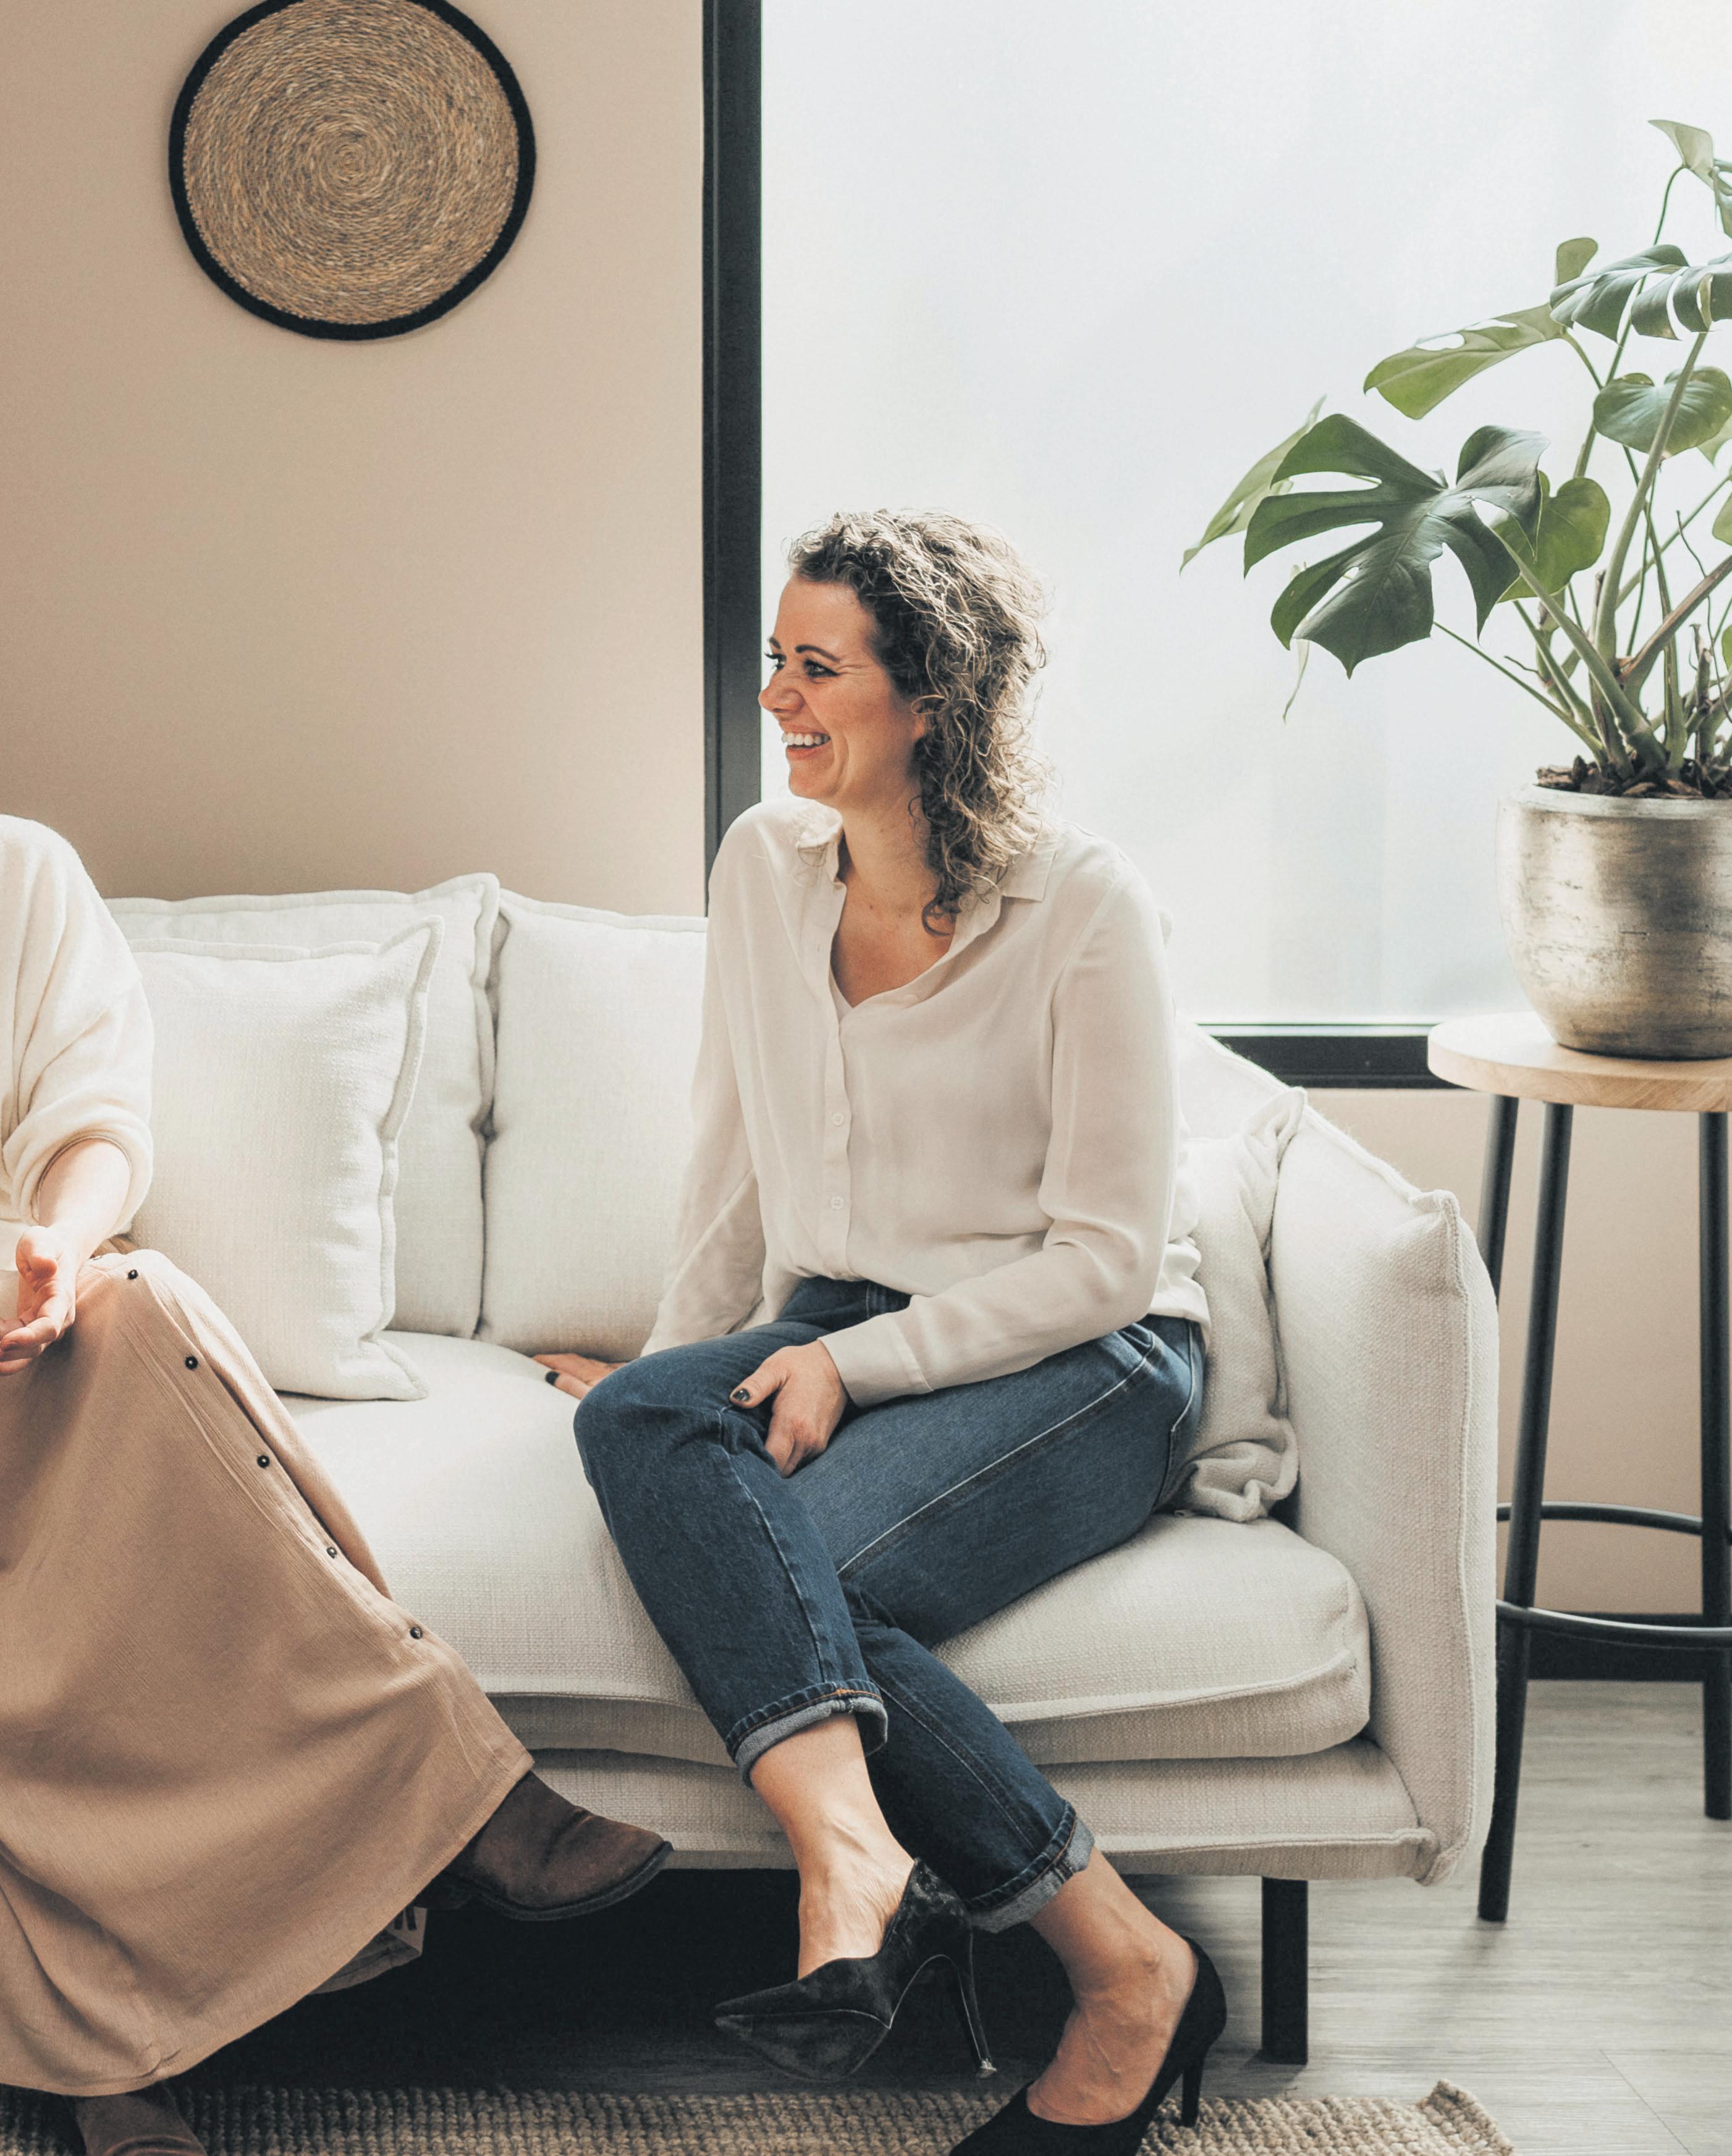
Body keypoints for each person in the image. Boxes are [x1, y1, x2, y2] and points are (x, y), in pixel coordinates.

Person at [538, 510, 1228, 2154]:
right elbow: (733, 1160)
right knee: (631, 1422)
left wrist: (852, 1365)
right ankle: (877, 1861)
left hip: (1089, 1359)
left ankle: (1119, 1975)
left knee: (800, 1586)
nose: (776, 695)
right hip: (842, 1317)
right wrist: (681, 1360)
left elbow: (1106, 1260)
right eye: (774, 660)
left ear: (929, 697)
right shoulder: (761, 868)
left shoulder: (1080, 905)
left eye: (816, 666)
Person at [0, 817, 670, 2156]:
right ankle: (112, 2051)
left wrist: (56, 1250)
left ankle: (433, 1786)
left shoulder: (21, 873)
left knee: (144, 1300)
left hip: (21, 1364)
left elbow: (94, 1122)